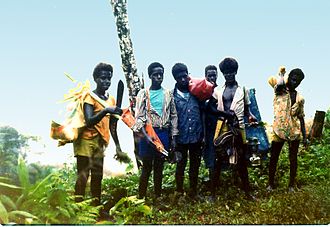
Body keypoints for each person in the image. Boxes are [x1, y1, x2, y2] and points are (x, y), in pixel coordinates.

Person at [73, 62, 127, 206]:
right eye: (103, 78)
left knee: (98, 176)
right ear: (96, 79)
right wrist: (106, 110)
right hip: (85, 140)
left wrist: (118, 146)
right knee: (83, 176)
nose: (106, 82)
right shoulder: (89, 97)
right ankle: (78, 206)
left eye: (109, 78)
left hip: (101, 142)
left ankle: (95, 208)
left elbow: (112, 125)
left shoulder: (111, 100)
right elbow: (89, 120)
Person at [208, 57, 257, 200]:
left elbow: (247, 109)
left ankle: (248, 193)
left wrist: (251, 117)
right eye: (226, 73)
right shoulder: (218, 90)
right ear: (223, 73)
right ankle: (212, 194)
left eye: (231, 72)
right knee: (218, 160)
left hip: (238, 128)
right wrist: (224, 113)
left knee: (241, 161)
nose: (228, 75)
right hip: (222, 128)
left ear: (236, 72)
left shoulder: (243, 90)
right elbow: (210, 107)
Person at [132, 62, 178, 201]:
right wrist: (146, 138)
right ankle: (141, 198)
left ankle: (158, 195)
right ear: (150, 76)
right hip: (147, 135)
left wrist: (174, 137)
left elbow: (173, 115)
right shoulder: (143, 94)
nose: (159, 77)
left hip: (163, 133)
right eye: (155, 75)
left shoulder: (168, 94)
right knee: (146, 167)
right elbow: (139, 118)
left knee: (159, 166)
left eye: (161, 74)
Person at [267, 67, 307, 193]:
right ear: (289, 77)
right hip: (278, 130)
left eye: (298, 81)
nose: (295, 82)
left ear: (300, 82)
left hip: (294, 131)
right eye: (293, 79)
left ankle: (291, 185)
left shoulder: (300, 98)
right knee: (274, 157)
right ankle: (270, 184)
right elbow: (271, 80)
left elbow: (301, 117)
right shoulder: (279, 90)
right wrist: (282, 75)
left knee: (293, 158)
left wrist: (305, 137)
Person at [172, 63, 204, 200]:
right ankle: (179, 192)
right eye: (180, 78)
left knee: (195, 165)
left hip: (196, 135)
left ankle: (193, 192)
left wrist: (203, 134)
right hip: (181, 138)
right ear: (175, 79)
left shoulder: (196, 92)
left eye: (185, 76)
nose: (183, 80)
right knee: (181, 165)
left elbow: (203, 112)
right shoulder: (172, 97)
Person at [201, 65, 219, 190]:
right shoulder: (202, 92)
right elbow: (202, 114)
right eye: (209, 75)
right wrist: (203, 133)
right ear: (205, 76)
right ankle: (213, 188)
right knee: (211, 157)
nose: (212, 78)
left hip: (221, 128)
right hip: (208, 129)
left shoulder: (220, 90)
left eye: (214, 75)